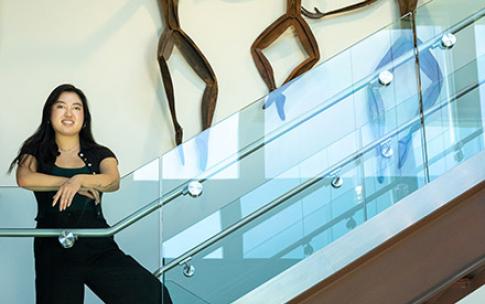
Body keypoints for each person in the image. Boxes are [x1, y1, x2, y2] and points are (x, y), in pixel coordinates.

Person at [9, 84, 173, 304]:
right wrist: (66, 182)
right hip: (53, 247)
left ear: (84, 118)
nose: (68, 113)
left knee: (153, 296)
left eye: (76, 108)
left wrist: (80, 179)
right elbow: (24, 178)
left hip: (96, 243)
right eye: (61, 106)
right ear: (49, 113)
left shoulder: (99, 153)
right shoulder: (35, 150)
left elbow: (112, 180)